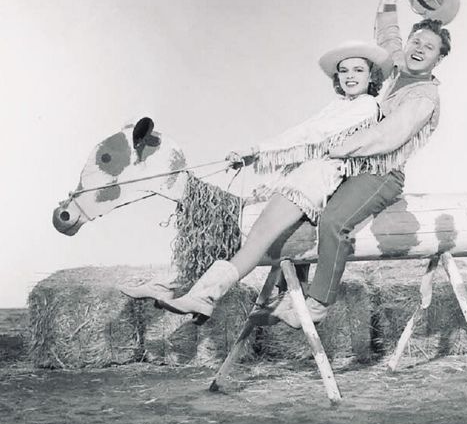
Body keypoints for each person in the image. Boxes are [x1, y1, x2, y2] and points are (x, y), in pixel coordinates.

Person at [121, 41, 393, 319]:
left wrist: (257, 150)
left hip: (313, 182)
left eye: (358, 70)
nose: (350, 76)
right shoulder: (339, 105)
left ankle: (204, 296)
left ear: (372, 76)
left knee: (256, 237)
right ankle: (170, 284)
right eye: (344, 71)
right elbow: (305, 133)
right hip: (300, 176)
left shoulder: (366, 106)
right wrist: (255, 154)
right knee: (236, 226)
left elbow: (311, 135)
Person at [271, 0, 456, 328]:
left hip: (381, 173)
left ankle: (318, 304)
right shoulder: (397, 68)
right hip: (352, 163)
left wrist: (334, 149)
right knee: (302, 200)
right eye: (416, 41)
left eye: (429, 47)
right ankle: (288, 290)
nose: (418, 49)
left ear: (439, 59)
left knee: (334, 221)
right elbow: (387, 31)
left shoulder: (424, 97)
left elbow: (386, 138)